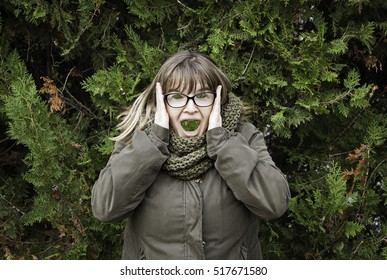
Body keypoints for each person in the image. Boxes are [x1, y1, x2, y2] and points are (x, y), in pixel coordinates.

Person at [91, 50, 290, 260]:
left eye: (202, 96)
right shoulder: (137, 140)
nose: (191, 108)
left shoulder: (243, 136)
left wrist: (222, 145)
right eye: (177, 97)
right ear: (162, 102)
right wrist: (154, 143)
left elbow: (275, 204)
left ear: (217, 100)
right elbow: (105, 208)